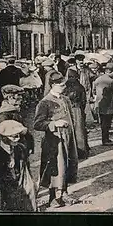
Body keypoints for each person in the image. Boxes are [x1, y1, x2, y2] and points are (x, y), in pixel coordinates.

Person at [34, 72, 79, 208]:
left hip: (68, 138)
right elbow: (37, 124)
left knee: (68, 164)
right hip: (55, 141)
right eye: (61, 85)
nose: (64, 87)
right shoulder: (45, 102)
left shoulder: (65, 99)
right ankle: (54, 197)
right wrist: (54, 124)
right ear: (53, 85)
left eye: (64, 84)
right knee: (56, 168)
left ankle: (64, 193)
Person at [0, 120, 37, 212]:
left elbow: (25, 169)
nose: (18, 138)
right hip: (5, 184)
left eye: (19, 135)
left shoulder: (20, 148)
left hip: (19, 180)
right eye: (14, 136)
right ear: (4, 138)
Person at [0, 85, 35, 154]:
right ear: (9, 97)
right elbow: (5, 137)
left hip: (20, 147)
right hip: (14, 150)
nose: (21, 98)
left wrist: (29, 146)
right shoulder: (4, 115)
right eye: (18, 96)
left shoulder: (14, 110)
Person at [91, 64, 113, 146]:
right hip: (108, 104)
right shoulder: (111, 81)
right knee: (107, 123)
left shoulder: (97, 79)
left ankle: (104, 139)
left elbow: (93, 91)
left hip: (99, 103)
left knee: (102, 123)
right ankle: (106, 140)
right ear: (111, 72)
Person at [62, 68, 90, 159]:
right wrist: (82, 109)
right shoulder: (80, 86)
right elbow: (83, 101)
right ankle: (81, 151)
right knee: (80, 130)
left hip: (67, 110)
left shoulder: (64, 87)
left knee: (69, 131)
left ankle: (70, 152)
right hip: (77, 109)